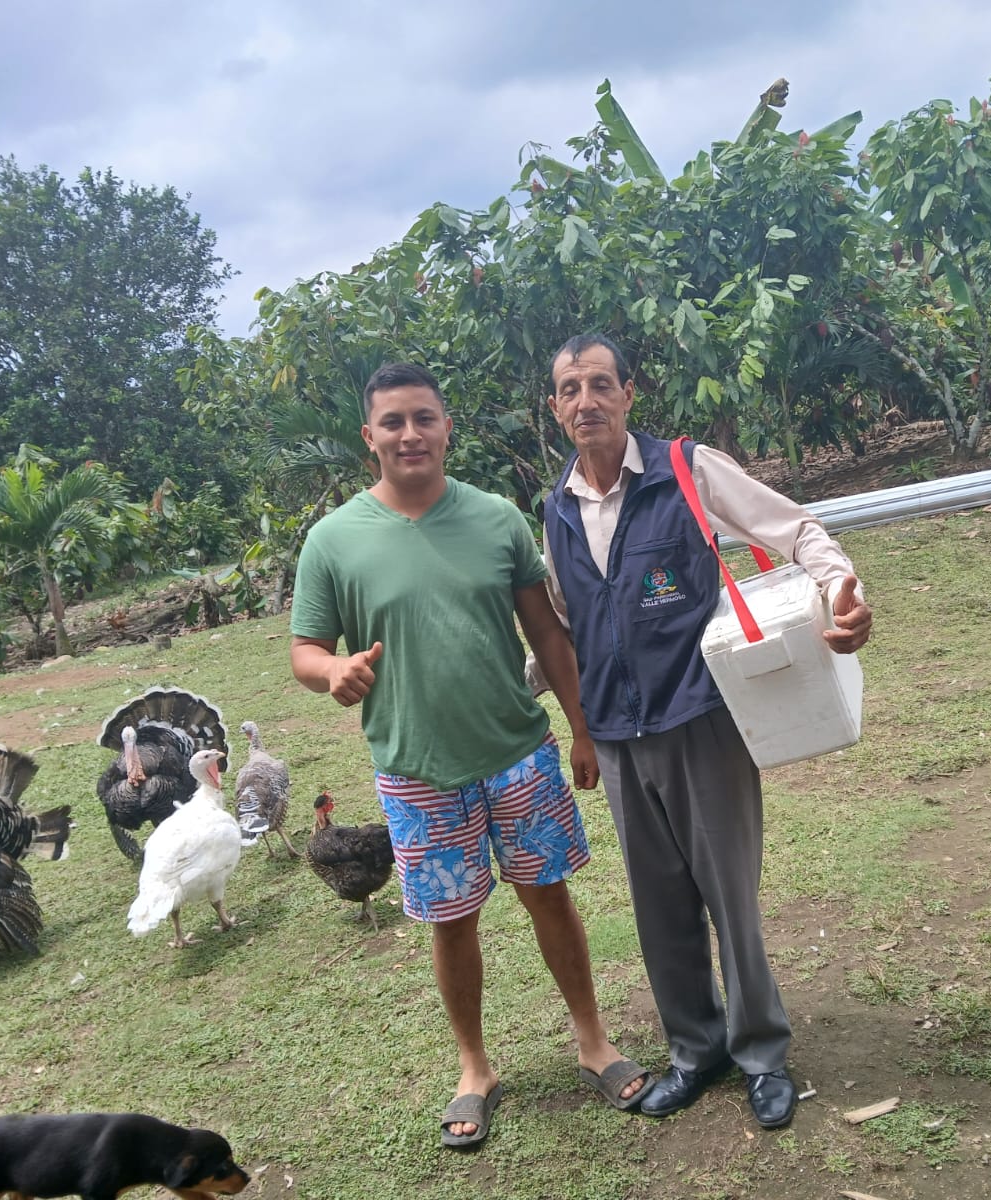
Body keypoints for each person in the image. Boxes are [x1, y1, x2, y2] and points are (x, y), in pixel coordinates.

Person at [289, 362, 650, 1150]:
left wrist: (581, 729)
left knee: (549, 896)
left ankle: (593, 1040)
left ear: (446, 428)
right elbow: (305, 650)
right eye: (393, 422)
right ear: (369, 436)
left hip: (517, 752)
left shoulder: (495, 518)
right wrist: (332, 670)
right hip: (416, 771)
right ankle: (474, 1067)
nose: (410, 434)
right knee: (451, 925)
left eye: (424, 418)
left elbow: (546, 632)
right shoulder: (333, 541)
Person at [536, 333, 873, 1131]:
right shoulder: (556, 508)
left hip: (702, 718)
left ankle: (761, 1053)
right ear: (554, 408)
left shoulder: (687, 469)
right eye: (570, 389)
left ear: (628, 394)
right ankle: (695, 1050)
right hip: (618, 736)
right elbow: (567, 621)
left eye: (601, 384)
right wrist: (527, 692)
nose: (587, 401)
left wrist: (842, 589)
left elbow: (794, 529)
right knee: (659, 909)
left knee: (730, 898)